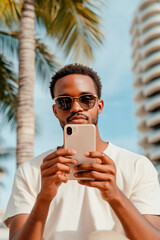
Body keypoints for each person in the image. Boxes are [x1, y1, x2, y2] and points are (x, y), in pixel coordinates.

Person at [3, 63, 160, 240]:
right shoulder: (30, 171)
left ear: (99, 106)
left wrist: (115, 196)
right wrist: (44, 199)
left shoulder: (137, 166)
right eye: (64, 101)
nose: (76, 108)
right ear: (55, 110)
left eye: (86, 99)